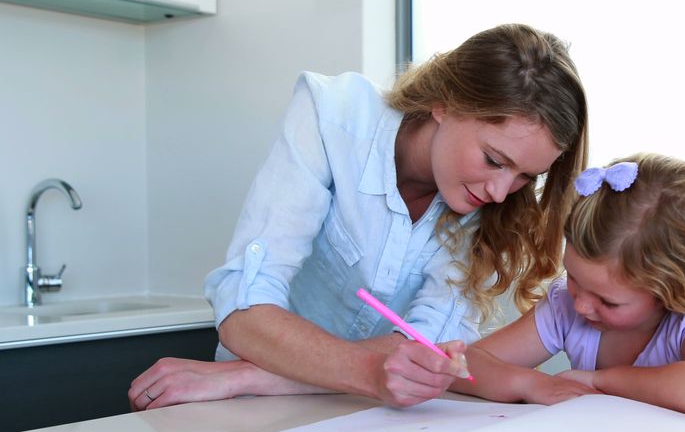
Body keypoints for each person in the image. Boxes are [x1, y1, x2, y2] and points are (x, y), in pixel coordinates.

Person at [129, 24, 589, 410]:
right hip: (249, 411)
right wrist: (370, 367)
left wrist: (252, 376)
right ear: (445, 102)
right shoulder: (333, 115)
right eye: (493, 159)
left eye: (526, 176)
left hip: (353, 413)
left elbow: (421, 359)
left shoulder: (494, 214)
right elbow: (246, 307)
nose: (499, 190)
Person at [450, 153, 685, 414]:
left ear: (671, 291)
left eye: (609, 301)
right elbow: (460, 366)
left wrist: (600, 380)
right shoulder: (566, 306)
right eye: (574, 278)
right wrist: (530, 383)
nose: (580, 304)